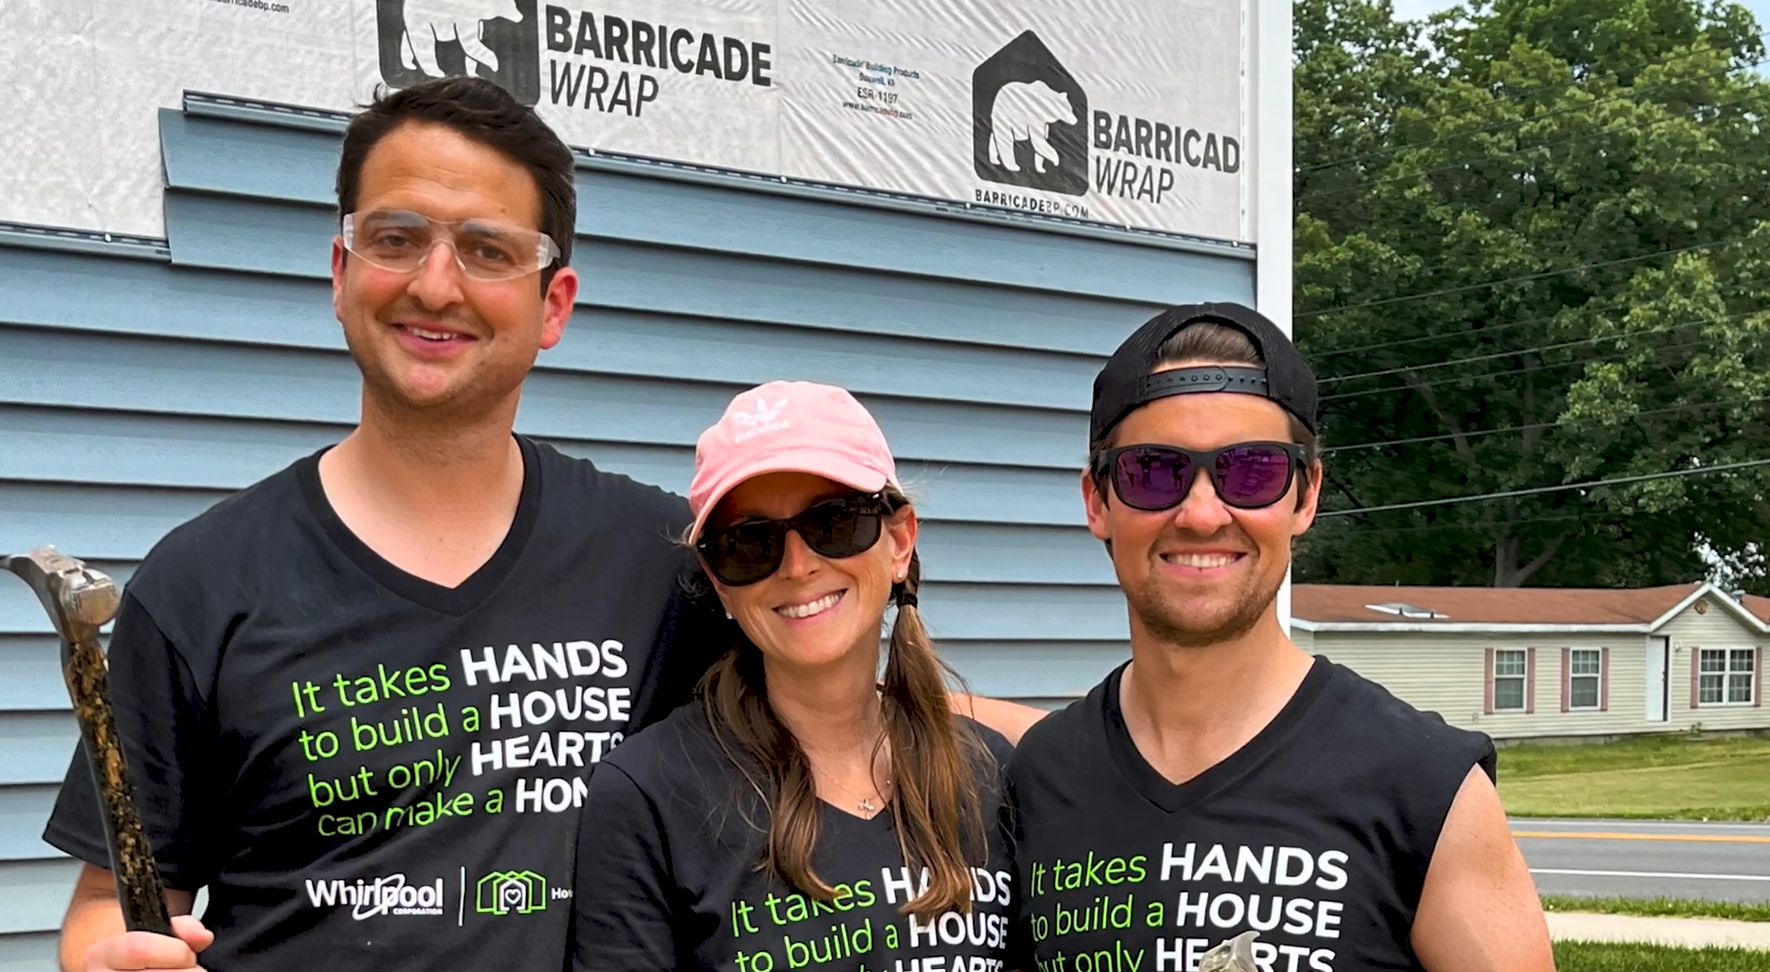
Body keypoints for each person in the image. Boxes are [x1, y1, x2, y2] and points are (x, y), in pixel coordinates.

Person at [43, 77, 1044, 972]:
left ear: (551, 303)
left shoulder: (666, 564)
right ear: (339, 270)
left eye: (488, 251)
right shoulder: (203, 587)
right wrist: (103, 956)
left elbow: (842, 685)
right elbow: (113, 904)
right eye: (397, 239)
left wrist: (1116, 745)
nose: (436, 284)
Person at [1007, 303, 1554, 972]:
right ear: (1097, 501)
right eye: (1154, 472)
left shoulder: (1424, 789)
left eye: (1252, 472)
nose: (1204, 513)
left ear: (1305, 495)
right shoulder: (1039, 780)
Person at [569, 381, 1027, 972]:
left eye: (833, 522)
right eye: (749, 542)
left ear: (900, 542)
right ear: (717, 579)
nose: (798, 565)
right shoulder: (648, 794)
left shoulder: (990, 774)